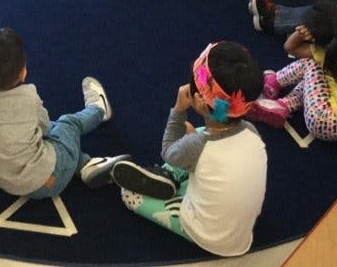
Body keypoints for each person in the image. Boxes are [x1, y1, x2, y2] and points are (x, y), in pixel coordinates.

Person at [109, 41, 266, 258]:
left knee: (128, 194)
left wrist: (178, 110)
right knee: (201, 137)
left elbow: (167, 150)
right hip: (241, 234)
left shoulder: (198, 146)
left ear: (200, 102)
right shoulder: (251, 131)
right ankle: (173, 178)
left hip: (208, 236)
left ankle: (171, 180)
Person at [0, 27, 131, 197]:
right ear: (23, 73)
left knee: (31, 136)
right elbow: (44, 127)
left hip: (6, 182)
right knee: (67, 124)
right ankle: (98, 110)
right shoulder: (27, 98)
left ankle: (86, 166)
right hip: (50, 179)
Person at [249, 0, 337, 141]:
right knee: (315, 81)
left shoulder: (324, 53)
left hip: (322, 121)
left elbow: (289, 47)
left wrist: (301, 32)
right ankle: (285, 105)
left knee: (311, 65)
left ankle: (272, 84)